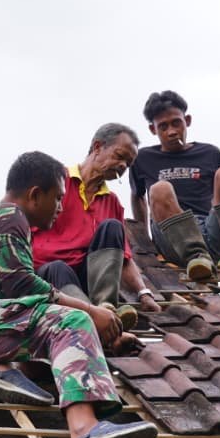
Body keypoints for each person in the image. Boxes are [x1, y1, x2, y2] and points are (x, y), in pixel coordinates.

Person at [0, 150, 158, 438]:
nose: (61, 207)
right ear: (35, 195)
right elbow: (22, 284)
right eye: (58, 198)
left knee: (47, 357)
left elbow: (18, 309)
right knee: (70, 320)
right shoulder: (9, 215)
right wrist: (91, 312)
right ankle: (85, 429)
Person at [31, 123, 161, 329]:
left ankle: (106, 306)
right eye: (119, 156)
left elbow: (124, 258)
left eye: (128, 163)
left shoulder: (111, 202)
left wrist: (143, 293)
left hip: (88, 279)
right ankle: (94, 318)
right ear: (97, 147)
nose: (122, 166)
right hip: (49, 278)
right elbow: (19, 231)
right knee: (58, 267)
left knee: (112, 227)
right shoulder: (56, 181)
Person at [129, 90, 220, 280]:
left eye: (176, 123)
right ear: (153, 130)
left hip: (210, 231)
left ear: (187, 120)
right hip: (172, 238)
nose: (171, 131)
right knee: (160, 188)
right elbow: (137, 195)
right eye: (163, 126)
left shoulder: (210, 153)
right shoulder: (143, 158)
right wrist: (145, 238)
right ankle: (197, 258)